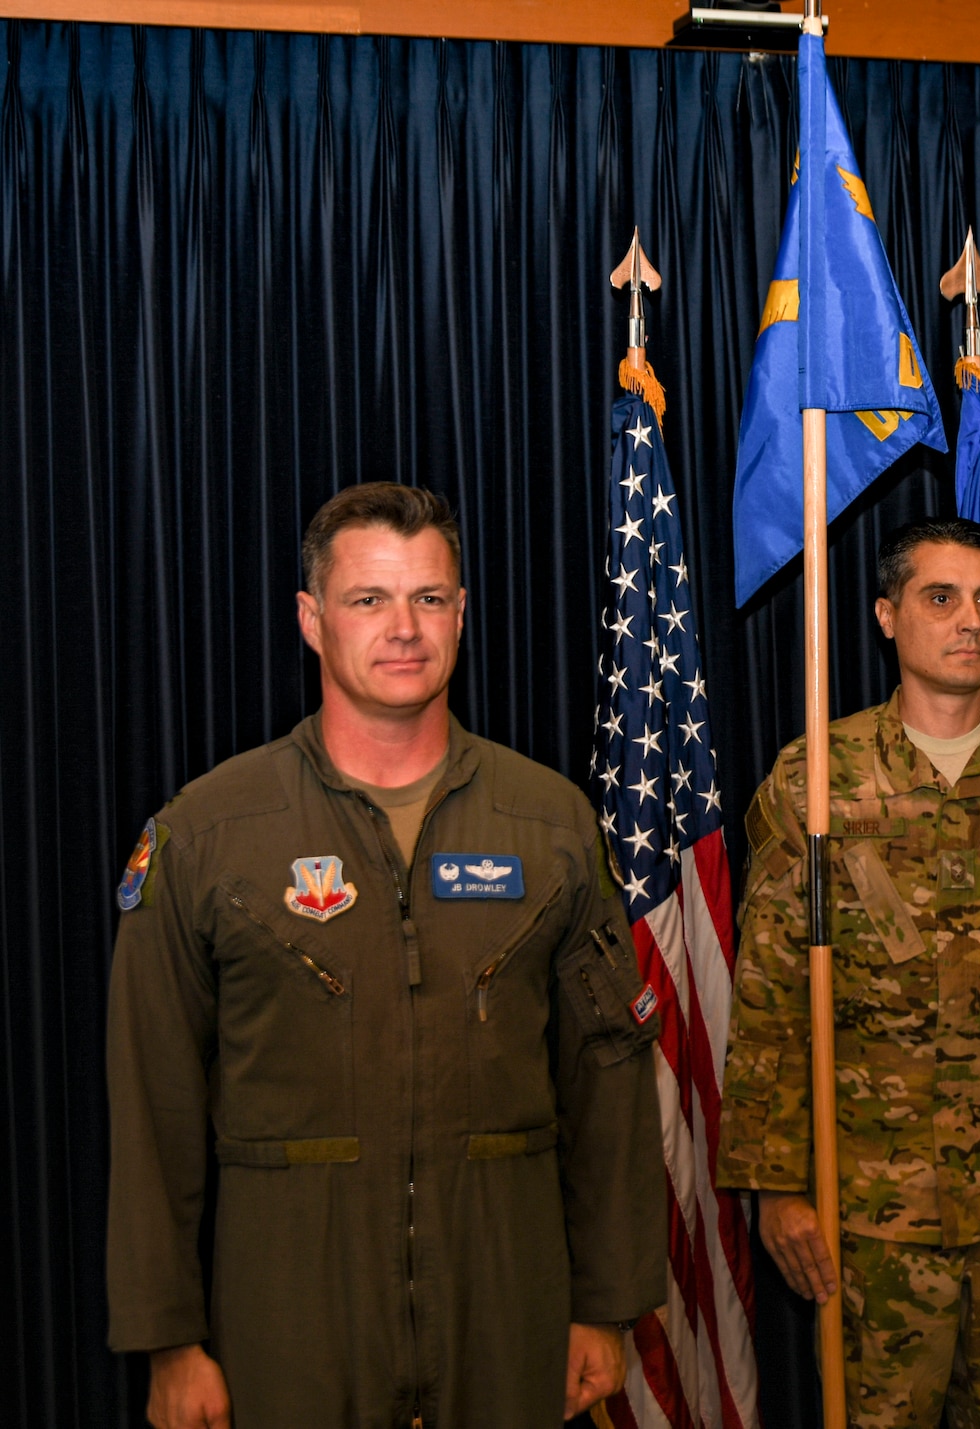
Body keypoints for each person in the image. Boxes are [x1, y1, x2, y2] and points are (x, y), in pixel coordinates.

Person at [106, 483, 668, 1429]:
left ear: (462, 614)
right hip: (287, 1317)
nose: (404, 628)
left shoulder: (551, 824)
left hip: (505, 1305)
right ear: (312, 618)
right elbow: (149, 1101)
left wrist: (604, 1305)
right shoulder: (209, 832)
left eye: (430, 598)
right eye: (369, 599)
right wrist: (169, 1338)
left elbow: (606, 1084)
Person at [716, 517, 980, 1427]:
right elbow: (770, 1002)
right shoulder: (818, 782)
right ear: (884, 615)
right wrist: (776, 1186)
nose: (969, 622)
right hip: (874, 1216)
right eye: (939, 598)